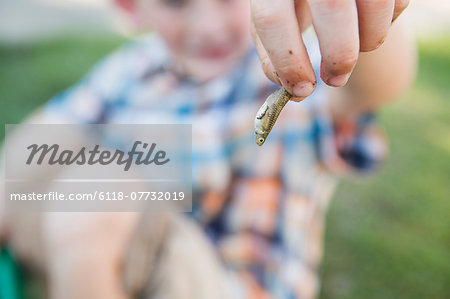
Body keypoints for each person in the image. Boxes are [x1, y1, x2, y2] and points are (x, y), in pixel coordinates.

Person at [0, 0, 416, 298]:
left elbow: (373, 85)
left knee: (92, 188)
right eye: (176, 2)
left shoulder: (290, 63)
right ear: (131, 7)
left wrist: (368, 19)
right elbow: (51, 129)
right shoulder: (131, 68)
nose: (207, 24)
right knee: (38, 160)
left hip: (230, 284)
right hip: (123, 260)